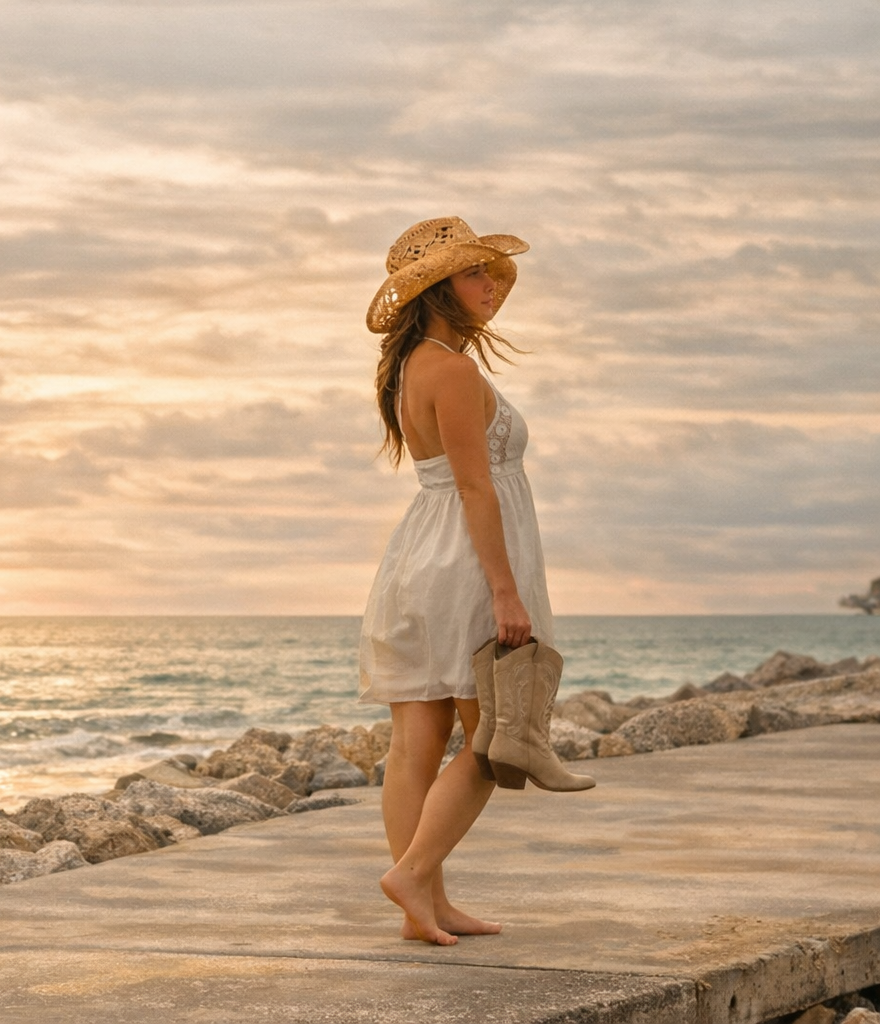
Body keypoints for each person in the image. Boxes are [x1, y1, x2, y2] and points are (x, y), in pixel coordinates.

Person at [357, 216, 561, 946]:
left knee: (416, 741)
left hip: (421, 558)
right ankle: (414, 876)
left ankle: (427, 908)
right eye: (477, 275)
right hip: (465, 564)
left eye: (493, 276)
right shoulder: (452, 369)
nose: (492, 289)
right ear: (438, 287)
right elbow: (477, 489)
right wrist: (507, 592)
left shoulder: (417, 363)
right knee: (492, 742)